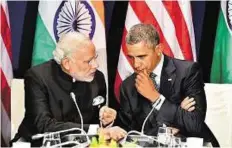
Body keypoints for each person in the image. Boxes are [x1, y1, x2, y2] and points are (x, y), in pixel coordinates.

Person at [116, 23, 219, 147]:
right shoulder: (128, 86)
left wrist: (156, 98)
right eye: (131, 58)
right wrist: (171, 125)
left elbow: (195, 124)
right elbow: (130, 136)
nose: (136, 64)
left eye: (141, 57)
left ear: (159, 49)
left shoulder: (188, 72)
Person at [11, 32, 120, 146]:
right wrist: (94, 130)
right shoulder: (38, 77)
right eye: (88, 61)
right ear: (67, 63)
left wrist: (105, 121)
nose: (96, 65)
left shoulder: (97, 78)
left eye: (95, 58)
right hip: (39, 142)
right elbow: (44, 125)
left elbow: (96, 121)